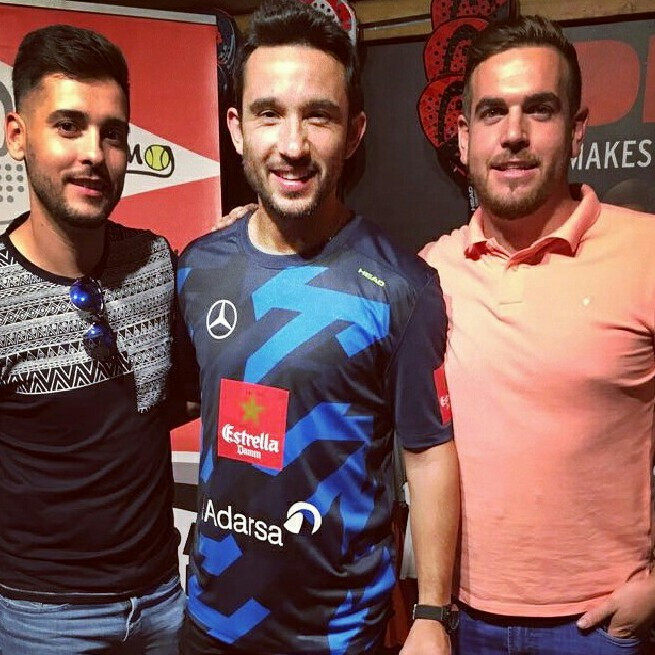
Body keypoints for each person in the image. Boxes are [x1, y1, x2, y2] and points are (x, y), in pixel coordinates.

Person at [176, 1, 460, 654]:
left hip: (337, 634)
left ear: (354, 131)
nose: (292, 145)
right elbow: (185, 401)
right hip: (211, 622)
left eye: (318, 116)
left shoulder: (402, 287)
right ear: (236, 128)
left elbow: (428, 453)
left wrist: (430, 612)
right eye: (268, 113)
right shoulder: (198, 267)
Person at [419, 15, 655, 655]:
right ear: (464, 137)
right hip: (459, 622)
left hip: (599, 628)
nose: (514, 134)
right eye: (492, 112)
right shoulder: (427, 273)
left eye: (540, 110)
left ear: (576, 128)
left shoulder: (645, 252)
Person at [0, 24, 184, 654]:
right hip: (42, 621)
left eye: (112, 133)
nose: (94, 154)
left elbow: (175, 398)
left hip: (164, 603)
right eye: (68, 126)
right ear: (18, 135)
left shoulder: (155, 261)